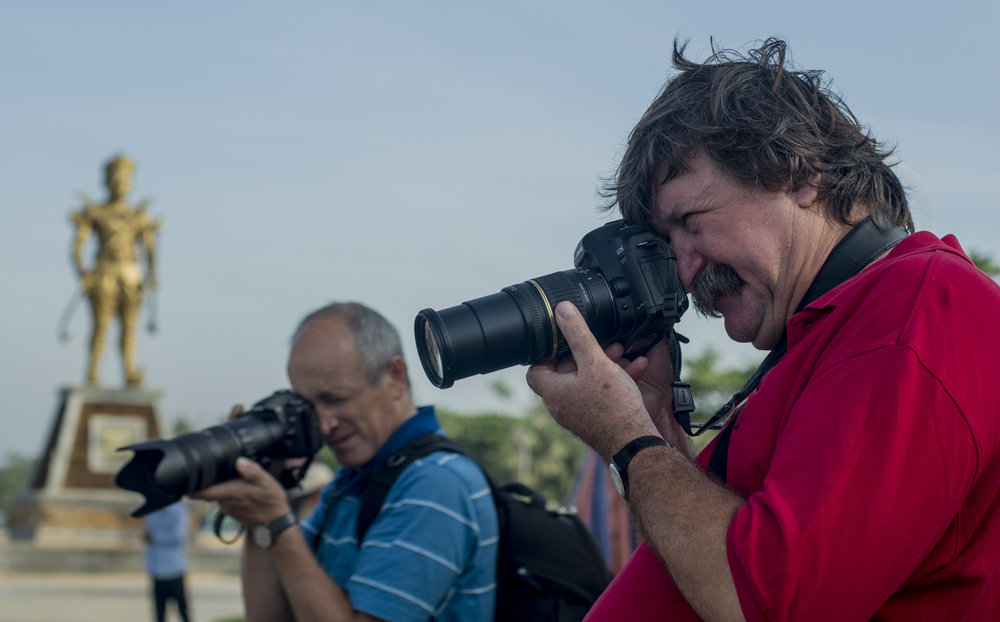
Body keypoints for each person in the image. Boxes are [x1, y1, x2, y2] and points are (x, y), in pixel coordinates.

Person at [525, 38, 1000, 621]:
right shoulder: (834, 327)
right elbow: (723, 561)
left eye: (691, 221)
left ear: (798, 175)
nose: (682, 267)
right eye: (665, 241)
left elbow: (776, 602)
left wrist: (627, 440)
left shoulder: (919, 306)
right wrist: (663, 443)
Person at [192, 302, 498, 622]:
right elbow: (268, 616)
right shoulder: (351, 480)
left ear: (395, 377)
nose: (324, 425)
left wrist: (279, 523)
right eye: (309, 407)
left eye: (335, 399)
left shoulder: (436, 485)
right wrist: (259, 515)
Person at [69, 153, 160, 386]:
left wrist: (153, 275)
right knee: (101, 326)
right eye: (116, 178)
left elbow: (150, 249)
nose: (121, 183)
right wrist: (84, 274)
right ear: (107, 180)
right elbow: (77, 248)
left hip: (131, 274)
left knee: (130, 328)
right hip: (104, 274)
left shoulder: (138, 216)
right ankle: (92, 371)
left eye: (125, 178)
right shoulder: (96, 213)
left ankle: (130, 371)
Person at [144, 501, 192, 622]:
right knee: (159, 611)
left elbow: (178, 536)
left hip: (174, 568)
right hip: (156, 568)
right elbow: (147, 533)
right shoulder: (151, 511)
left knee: (183, 609)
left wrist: (155, 537)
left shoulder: (178, 510)